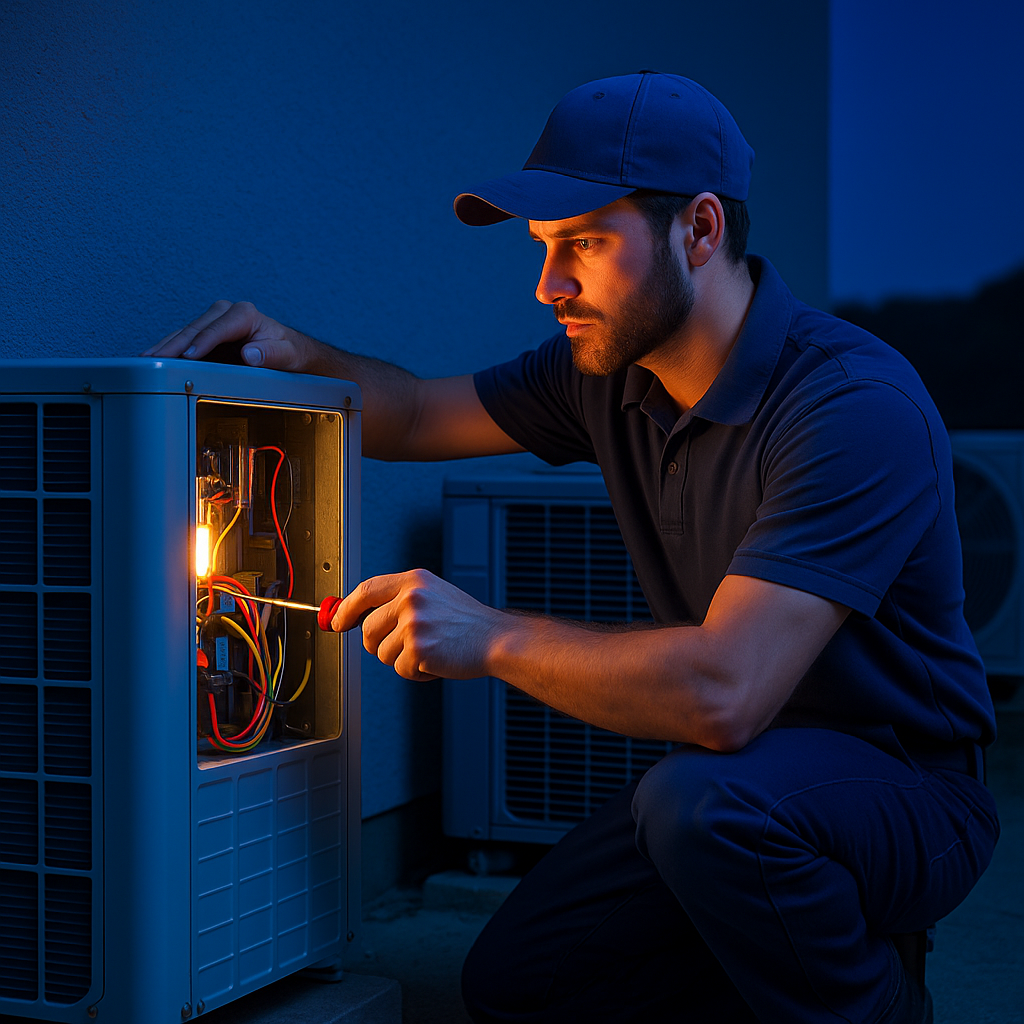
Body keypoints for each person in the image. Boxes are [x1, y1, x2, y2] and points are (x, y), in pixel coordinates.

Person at [146, 71, 999, 1024]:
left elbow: (723, 693)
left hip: (903, 795)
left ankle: (882, 1003)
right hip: (735, 778)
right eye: (546, 247)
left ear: (701, 232)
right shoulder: (606, 369)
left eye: (585, 244)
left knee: (701, 808)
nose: (550, 285)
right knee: (519, 984)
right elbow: (423, 411)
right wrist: (298, 354)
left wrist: (487, 636)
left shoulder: (849, 407)